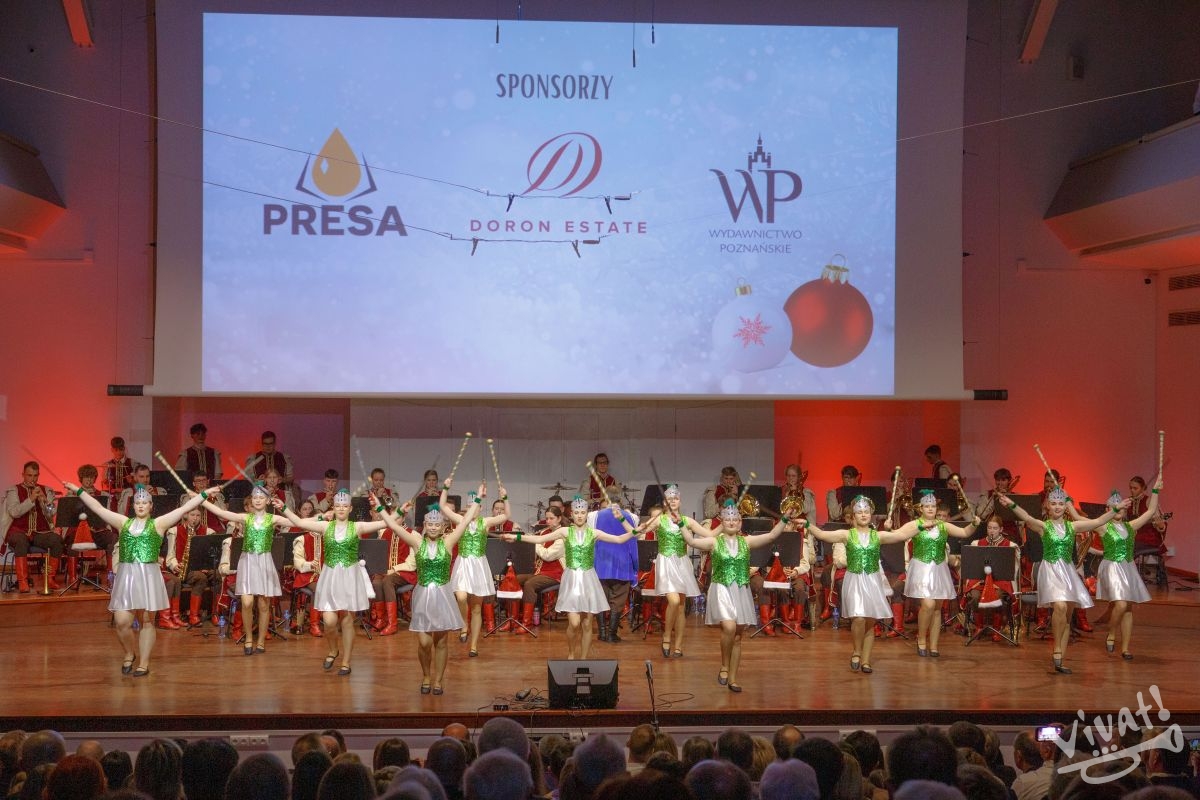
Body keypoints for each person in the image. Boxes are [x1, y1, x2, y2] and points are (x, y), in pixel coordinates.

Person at [64, 478, 208, 676]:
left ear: (150, 506)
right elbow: (97, 508)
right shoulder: (123, 523)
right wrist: (77, 490)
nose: (141, 505)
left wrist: (204, 494)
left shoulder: (158, 524)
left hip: (148, 577)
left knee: (147, 621)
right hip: (127, 578)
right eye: (137, 503)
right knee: (122, 621)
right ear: (133, 506)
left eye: (144, 503)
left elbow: (184, 509)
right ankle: (129, 653)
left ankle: (144, 663)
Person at [998, 485, 1124, 673]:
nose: (1057, 507)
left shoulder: (1073, 526)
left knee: (1067, 616)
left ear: (1066, 507)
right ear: (1048, 506)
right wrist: (1011, 504)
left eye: (1060, 503)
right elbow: (1027, 517)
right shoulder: (1044, 527)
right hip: (1050, 571)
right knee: (1060, 606)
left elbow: (1098, 521)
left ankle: (1060, 659)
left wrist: (1115, 509)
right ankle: (1057, 648)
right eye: (1054, 503)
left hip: (1068, 572)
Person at [502, 496, 637, 660]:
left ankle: (583, 659)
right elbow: (539, 539)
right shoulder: (565, 532)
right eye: (577, 513)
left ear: (587, 514)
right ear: (571, 514)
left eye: (583, 512)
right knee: (574, 623)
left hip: (588, 579)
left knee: (587, 623)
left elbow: (620, 538)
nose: (580, 516)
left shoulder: (594, 533)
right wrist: (516, 537)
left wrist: (622, 519)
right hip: (572, 579)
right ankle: (571, 654)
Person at [677, 502, 792, 691]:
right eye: (728, 519)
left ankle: (732, 678)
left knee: (738, 636)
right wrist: (681, 524)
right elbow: (692, 542)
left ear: (740, 523)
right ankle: (724, 665)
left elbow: (771, 536)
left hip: (740, 590)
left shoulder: (746, 542)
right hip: (721, 589)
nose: (731, 522)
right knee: (729, 627)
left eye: (735, 519)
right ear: (722, 522)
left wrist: (785, 518)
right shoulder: (714, 542)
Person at [277, 489, 389, 675]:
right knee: (329, 621)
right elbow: (299, 522)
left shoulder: (357, 527)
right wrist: (284, 508)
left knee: (347, 620)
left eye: (345, 506)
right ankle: (333, 650)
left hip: (350, 577)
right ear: (333, 508)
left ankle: (346, 662)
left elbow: (387, 522)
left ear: (350, 508)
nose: (341, 508)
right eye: (338, 506)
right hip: (330, 577)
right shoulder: (325, 526)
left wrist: (384, 508)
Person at [379, 495, 480, 694]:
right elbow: (393, 525)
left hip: (442, 596)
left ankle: (438, 680)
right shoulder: (417, 542)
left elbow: (466, 521)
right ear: (425, 525)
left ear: (443, 527)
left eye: (437, 524)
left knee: (441, 642)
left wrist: (477, 500)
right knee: (424, 643)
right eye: (430, 524)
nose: (433, 527)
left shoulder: (448, 542)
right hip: (423, 596)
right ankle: (426, 675)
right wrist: (380, 507)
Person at [807, 495, 919, 674]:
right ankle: (856, 651)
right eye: (859, 512)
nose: (864, 514)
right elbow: (822, 535)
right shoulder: (846, 535)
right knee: (858, 618)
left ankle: (866, 660)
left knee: (869, 621)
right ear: (853, 516)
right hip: (854, 580)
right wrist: (806, 524)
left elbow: (902, 535)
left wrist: (921, 524)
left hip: (873, 582)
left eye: (866, 511)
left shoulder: (878, 536)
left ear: (871, 514)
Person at [201, 483, 293, 655]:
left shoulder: (273, 519)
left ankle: (260, 641)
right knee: (247, 602)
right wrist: (201, 498)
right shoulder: (246, 518)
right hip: (248, 562)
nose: (257, 500)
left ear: (267, 501)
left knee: (264, 605)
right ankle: (249, 636)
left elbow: (296, 521)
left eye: (261, 497)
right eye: (255, 497)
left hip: (264, 562)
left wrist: (319, 517)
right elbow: (222, 513)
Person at [885, 491, 980, 657]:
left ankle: (934, 645)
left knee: (937, 608)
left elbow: (965, 532)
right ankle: (921, 638)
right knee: (928, 605)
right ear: (921, 508)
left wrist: (974, 524)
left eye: (933, 506)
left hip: (939, 570)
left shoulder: (943, 525)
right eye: (927, 506)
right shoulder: (915, 524)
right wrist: (889, 528)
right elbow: (898, 535)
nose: (930, 509)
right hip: (921, 569)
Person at [1091, 475, 1162, 659]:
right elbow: (1078, 519)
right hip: (1111, 568)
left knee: (1128, 608)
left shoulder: (1131, 526)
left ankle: (1125, 648)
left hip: (1128, 568)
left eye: (1121, 506)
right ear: (1108, 509)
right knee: (1121, 604)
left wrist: (1155, 490)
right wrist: (1067, 502)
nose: (1119, 509)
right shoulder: (1103, 527)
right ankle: (1111, 632)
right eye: (1114, 507)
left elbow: (1151, 511)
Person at [439, 478, 510, 657]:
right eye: (470, 506)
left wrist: (505, 497)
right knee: (461, 597)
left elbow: (506, 516)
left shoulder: (485, 522)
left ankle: (474, 646)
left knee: (477, 608)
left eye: (476, 506)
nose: (473, 509)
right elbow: (442, 506)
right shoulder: (460, 520)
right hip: (463, 563)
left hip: (478, 565)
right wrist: (446, 487)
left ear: (480, 508)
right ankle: (464, 624)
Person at [637, 485, 702, 657]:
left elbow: (709, 533)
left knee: (681, 606)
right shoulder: (660, 520)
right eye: (669, 498)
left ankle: (678, 646)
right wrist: (624, 520)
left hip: (682, 564)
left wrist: (725, 527)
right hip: (666, 563)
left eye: (676, 498)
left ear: (680, 501)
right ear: (665, 502)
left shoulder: (687, 521)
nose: (673, 501)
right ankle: (666, 635)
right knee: (674, 601)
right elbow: (637, 532)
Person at [3, 461, 65, 592]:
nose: (33, 479)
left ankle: (50, 579)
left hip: (39, 533)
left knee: (57, 540)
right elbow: (14, 512)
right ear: (23, 475)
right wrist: (31, 499)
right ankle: (23, 581)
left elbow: (51, 513)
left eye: (35, 476)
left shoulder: (46, 490)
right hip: (18, 531)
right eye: (29, 475)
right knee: (21, 541)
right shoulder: (14, 490)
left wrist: (44, 500)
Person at [960, 516, 1020, 642]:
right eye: (989, 528)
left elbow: (1012, 570)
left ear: (1001, 529)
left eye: (995, 528)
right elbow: (972, 566)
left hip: (1000, 582)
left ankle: (997, 629)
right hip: (980, 581)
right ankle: (979, 626)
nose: (992, 531)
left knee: (997, 596)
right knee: (975, 596)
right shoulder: (977, 544)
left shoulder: (1010, 546)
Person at [591, 495, 639, 643]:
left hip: (601, 562)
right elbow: (633, 543)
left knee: (600, 598)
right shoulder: (632, 517)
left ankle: (602, 633)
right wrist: (635, 566)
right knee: (618, 600)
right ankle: (612, 634)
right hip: (623, 563)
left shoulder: (594, 516)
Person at [513, 506, 565, 634]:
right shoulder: (545, 532)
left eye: (551, 518)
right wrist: (526, 537)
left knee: (530, 584)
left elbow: (548, 555)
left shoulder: (563, 536)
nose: (548, 521)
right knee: (514, 580)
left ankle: (527, 623)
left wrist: (535, 542)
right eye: (547, 518)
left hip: (556, 574)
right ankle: (513, 620)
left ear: (559, 519)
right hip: (540, 571)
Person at [163, 505, 217, 629]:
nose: (195, 518)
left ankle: (215, 613)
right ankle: (193, 616)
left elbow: (211, 555)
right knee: (201, 577)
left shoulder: (208, 532)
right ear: (185, 515)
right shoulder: (174, 531)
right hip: (183, 569)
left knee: (217, 576)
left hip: (201, 568)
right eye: (192, 515)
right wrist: (175, 565)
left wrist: (208, 565)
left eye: (198, 515)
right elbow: (170, 555)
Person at [370, 504, 417, 637]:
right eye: (392, 517)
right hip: (385, 571)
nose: (394, 520)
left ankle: (392, 623)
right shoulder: (384, 532)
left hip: (405, 572)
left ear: (404, 517)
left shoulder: (413, 534)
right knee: (376, 582)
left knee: (387, 581)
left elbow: (412, 564)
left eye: (398, 517)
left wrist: (393, 569)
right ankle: (381, 619)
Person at [288, 498, 325, 637]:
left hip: (325, 574)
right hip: (307, 576)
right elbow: (298, 562)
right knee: (319, 588)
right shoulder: (302, 539)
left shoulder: (328, 538)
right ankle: (314, 624)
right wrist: (310, 565)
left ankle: (335, 621)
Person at [101, 436, 135, 508]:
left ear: (124, 449)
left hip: (128, 496)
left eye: (121, 449)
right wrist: (107, 482)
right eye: (116, 450)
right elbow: (104, 484)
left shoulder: (133, 463)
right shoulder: (107, 465)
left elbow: (139, 483)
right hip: (113, 497)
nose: (119, 452)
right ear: (112, 450)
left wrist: (132, 481)